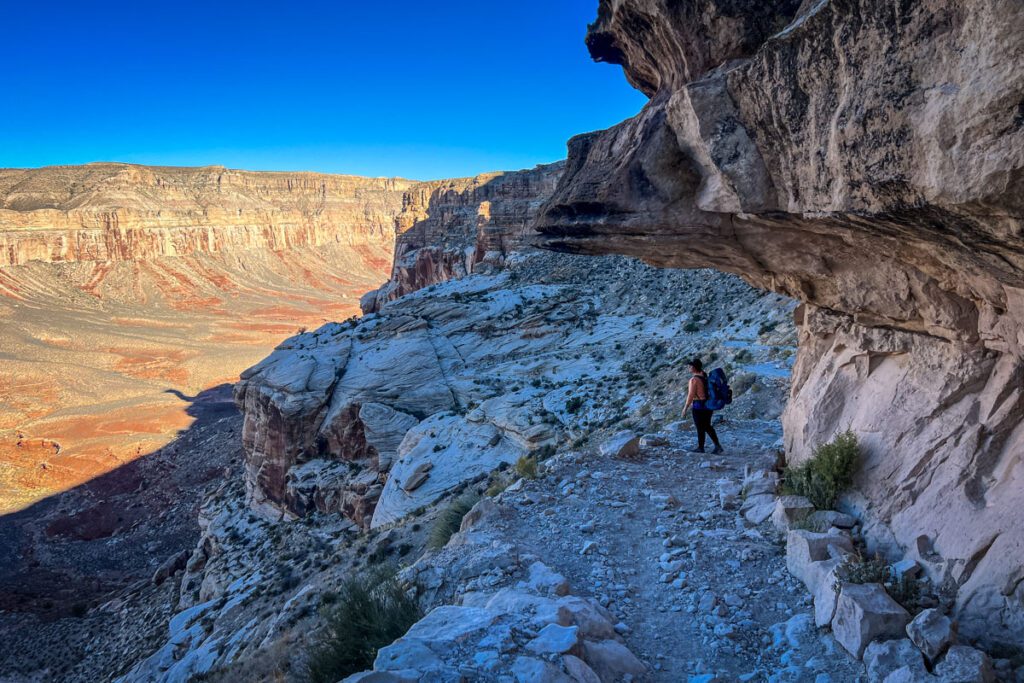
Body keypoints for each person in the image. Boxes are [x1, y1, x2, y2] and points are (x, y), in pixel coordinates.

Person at [682, 358, 723, 454]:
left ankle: (701, 448)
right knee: (707, 426)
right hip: (708, 406)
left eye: (690, 366)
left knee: (700, 427)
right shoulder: (705, 376)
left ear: (694, 368)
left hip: (698, 406)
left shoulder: (694, 380)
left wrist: (685, 408)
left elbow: (691, 395)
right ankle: (717, 446)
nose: (688, 368)